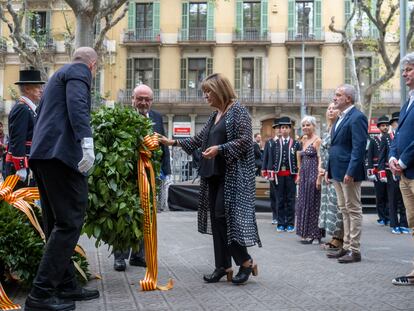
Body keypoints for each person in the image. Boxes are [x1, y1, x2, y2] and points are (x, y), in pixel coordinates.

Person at [159, 73, 261, 285]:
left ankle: (246, 261)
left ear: (220, 90)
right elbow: (199, 139)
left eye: (208, 91)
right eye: (204, 91)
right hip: (213, 174)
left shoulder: (238, 111)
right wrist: (172, 143)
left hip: (231, 175)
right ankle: (222, 266)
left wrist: (220, 149)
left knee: (223, 217)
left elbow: (245, 141)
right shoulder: (216, 115)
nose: (205, 96)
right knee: (216, 221)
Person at [25, 47, 100, 311]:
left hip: (44, 156)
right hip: (61, 157)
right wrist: (86, 142)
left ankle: (65, 284)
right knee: (69, 223)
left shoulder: (59, 74)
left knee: (55, 223)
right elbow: (77, 105)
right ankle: (40, 294)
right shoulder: (79, 71)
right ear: (92, 65)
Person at [113, 84, 171, 271]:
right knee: (125, 214)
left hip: (150, 174)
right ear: (133, 99)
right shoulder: (122, 116)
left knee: (146, 214)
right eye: (140, 98)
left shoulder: (157, 117)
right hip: (127, 174)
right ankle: (120, 257)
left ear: (152, 101)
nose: (144, 102)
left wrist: (166, 170)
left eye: (147, 99)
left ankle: (139, 256)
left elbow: (163, 145)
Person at [326, 84, 368, 264]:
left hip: (348, 172)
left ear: (348, 99)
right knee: (344, 209)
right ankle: (346, 246)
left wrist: (350, 171)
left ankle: (355, 250)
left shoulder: (357, 117)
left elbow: (358, 148)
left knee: (353, 209)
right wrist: (329, 170)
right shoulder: (340, 117)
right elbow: (334, 146)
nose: (334, 98)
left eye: (338, 95)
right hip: (336, 171)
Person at [389, 53, 414, 285]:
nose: (404, 74)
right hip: (405, 173)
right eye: (404, 70)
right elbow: (398, 135)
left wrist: (403, 160)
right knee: (413, 223)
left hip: (410, 169)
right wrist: (392, 156)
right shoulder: (408, 101)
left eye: (408, 69)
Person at [5, 68, 44, 189]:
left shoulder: (29, 109)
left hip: (29, 162)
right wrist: (20, 166)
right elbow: (18, 139)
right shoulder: (22, 109)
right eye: (38, 87)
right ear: (27, 89)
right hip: (21, 166)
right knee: (20, 204)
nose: (41, 90)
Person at [377, 113, 409, 235]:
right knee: (393, 199)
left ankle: (404, 223)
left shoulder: (406, 136)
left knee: (404, 198)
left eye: (399, 122)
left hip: (405, 170)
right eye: (395, 122)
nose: (397, 124)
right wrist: (381, 172)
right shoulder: (386, 137)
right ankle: (394, 224)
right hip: (391, 171)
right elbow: (381, 156)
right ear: (392, 124)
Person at [318, 103, 344, 250]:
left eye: (333, 108)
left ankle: (340, 238)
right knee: (330, 208)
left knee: (339, 207)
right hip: (327, 174)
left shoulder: (339, 128)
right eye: (328, 108)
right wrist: (321, 168)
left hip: (336, 173)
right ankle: (335, 236)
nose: (330, 110)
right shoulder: (328, 129)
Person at [295, 116, 324, 244]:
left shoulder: (317, 140)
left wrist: (318, 178)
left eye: (308, 125)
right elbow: (300, 158)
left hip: (313, 174)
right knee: (304, 203)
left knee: (313, 203)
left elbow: (321, 159)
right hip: (304, 175)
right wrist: (299, 175)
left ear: (314, 126)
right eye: (304, 125)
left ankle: (315, 234)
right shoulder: (304, 140)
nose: (306, 127)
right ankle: (305, 232)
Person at [272, 117, 300, 233]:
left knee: (290, 199)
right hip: (278, 176)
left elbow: (299, 161)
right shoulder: (275, 143)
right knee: (280, 199)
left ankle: (290, 223)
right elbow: (272, 160)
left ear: (290, 129)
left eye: (286, 128)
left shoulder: (296, 143)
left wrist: (298, 174)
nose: (284, 130)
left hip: (291, 175)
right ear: (280, 130)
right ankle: (280, 223)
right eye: (282, 128)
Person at [367, 115, 390, 226]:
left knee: (389, 196)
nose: (385, 127)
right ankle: (382, 217)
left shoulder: (391, 139)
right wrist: (370, 172)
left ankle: (389, 216)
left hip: (389, 171)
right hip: (377, 171)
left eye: (386, 125)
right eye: (383, 125)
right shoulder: (373, 140)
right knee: (380, 195)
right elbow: (369, 156)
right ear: (379, 127)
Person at [261, 118, 280, 224]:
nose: (279, 130)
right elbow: (265, 157)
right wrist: (264, 170)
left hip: (283, 173)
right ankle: (275, 216)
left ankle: (282, 215)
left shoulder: (287, 142)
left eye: (280, 128)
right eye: (277, 128)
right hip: (272, 173)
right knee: (273, 194)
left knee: (282, 194)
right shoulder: (270, 142)